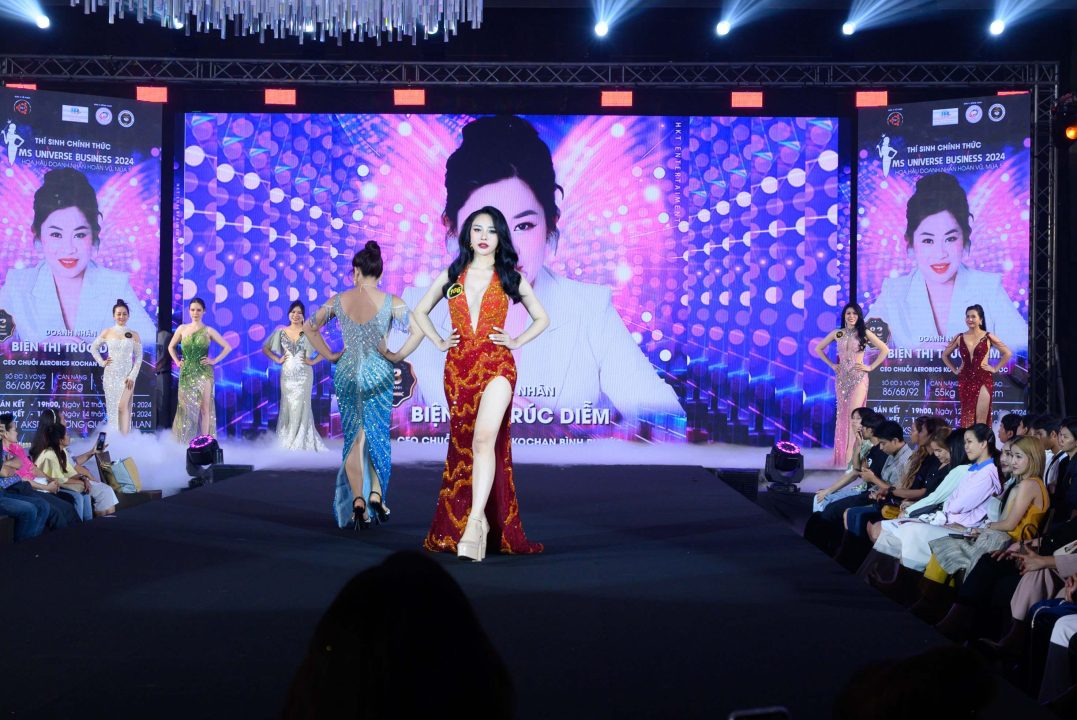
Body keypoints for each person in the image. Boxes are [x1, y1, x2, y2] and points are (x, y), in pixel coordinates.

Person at [396, 115, 684, 432]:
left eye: (523, 226)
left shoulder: (589, 310)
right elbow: (369, 421)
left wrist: (554, 429)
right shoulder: (415, 309)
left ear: (550, 224)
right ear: (452, 228)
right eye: (483, 228)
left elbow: (668, 425)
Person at [414, 206, 548, 561]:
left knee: (484, 439)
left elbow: (541, 317)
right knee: (465, 446)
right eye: (477, 229)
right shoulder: (453, 274)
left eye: (491, 230)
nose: (484, 236)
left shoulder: (509, 276)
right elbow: (419, 311)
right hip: (458, 370)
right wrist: (439, 341)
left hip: (497, 366)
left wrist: (516, 342)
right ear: (468, 236)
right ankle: (480, 522)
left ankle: (474, 523)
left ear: (500, 237)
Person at [305, 242, 424, 530]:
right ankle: (376, 495)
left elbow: (309, 327)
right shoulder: (392, 301)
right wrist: (395, 356)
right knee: (377, 436)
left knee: (354, 440)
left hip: (347, 371)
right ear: (379, 273)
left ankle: (357, 500)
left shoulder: (338, 300)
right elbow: (418, 331)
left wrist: (329, 355)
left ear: (356, 271)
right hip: (379, 372)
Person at [866, 172, 1027, 351]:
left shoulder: (988, 287)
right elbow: (860, 351)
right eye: (928, 240)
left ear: (964, 239)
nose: (940, 253)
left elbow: (1023, 350)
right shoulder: (894, 292)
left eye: (950, 239)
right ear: (911, 243)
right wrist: (916, 356)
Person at [0, 167, 156, 344]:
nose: (68, 249)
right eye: (56, 234)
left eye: (79, 235)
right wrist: (42, 351)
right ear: (38, 234)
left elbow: (149, 345)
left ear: (94, 235)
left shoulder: (115, 285)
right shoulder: (17, 285)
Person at [872, 424, 1001, 573]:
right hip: (949, 521)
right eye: (965, 442)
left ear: (983, 444)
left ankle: (904, 577)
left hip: (962, 528)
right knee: (899, 530)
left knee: (911, 531)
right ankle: (887, 576)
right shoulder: (974, 470)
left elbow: (955, 505)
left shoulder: (986, 473)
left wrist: (948, 505)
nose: (966, 446)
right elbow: (951, 502)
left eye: (969, 442)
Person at [815, 302, 889, 466]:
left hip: (858, 379)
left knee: (854, 417)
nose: (851, 316)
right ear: (844, 315)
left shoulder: (864, 333)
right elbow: (819, 348)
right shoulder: (838, 333)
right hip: (841, 380)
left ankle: (851, 458)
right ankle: (841, 457)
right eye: (848, 313)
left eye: (854, 313)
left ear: (859, 316)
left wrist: (870, 367)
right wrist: (832, 365)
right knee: (841, 417)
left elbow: (884, 349)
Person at [261, 300, 328, 452]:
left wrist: (312, 361)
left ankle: (301, 438)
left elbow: (325, 349)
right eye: (293, 312)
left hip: (304, 375)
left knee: (302, 405)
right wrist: (277, 359)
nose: (296, 315)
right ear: (288, 314)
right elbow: (265, 348)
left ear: (303, 316)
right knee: (288, 405)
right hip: (287, 375)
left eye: (299, 312)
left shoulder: (309, 332)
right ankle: (287, 437)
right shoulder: (281, 332)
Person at [0, 413, 76, 531]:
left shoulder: (17, 448)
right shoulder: (4, 450)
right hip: (20, 487)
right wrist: (46, 487)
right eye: (14, 430)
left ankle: (78, 536)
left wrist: (50, 479)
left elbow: (22, 465)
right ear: (5, 434)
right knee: (49, 510)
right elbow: (6, 472)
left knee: (69, 504)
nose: (17, 433)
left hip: (28, 485)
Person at [941, 304, 1012, 426]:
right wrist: (955, 370)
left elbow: (1007, 353)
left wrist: (995, 368)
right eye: (967, 316)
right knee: (967, 418)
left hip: (983, 378)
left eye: (973, 316)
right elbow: (944, 355)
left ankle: (981, 439)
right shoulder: (959, 337)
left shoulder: (988, 336)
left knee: (981, 421)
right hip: (965, 379)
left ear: (981, 319)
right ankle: (968, 439)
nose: (970, 319)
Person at [33, 423, 118, 519]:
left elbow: (71, 472)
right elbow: (59, 479)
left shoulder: (63, 451)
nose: (69, 437)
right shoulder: (49, 455)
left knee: (105, 490)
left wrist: (84, 479)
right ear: (60, 440)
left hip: (67, 482)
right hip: (52, 486)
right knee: (103, 491)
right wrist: (82, 481)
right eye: (67, 435)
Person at [89, 298, 145, 434]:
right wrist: (102, 362)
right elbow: (93, 348)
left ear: (128, 316)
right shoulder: (107, 332)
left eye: (124, 314)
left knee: (123, 406)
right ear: (114, 316)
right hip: (110, 376)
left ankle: (124, 438)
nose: (121, 316)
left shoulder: (134, 335)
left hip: (127, 377)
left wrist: (132, 376)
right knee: (113, 409)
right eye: (119, 314)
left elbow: (139, 357)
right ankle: (114, 438)